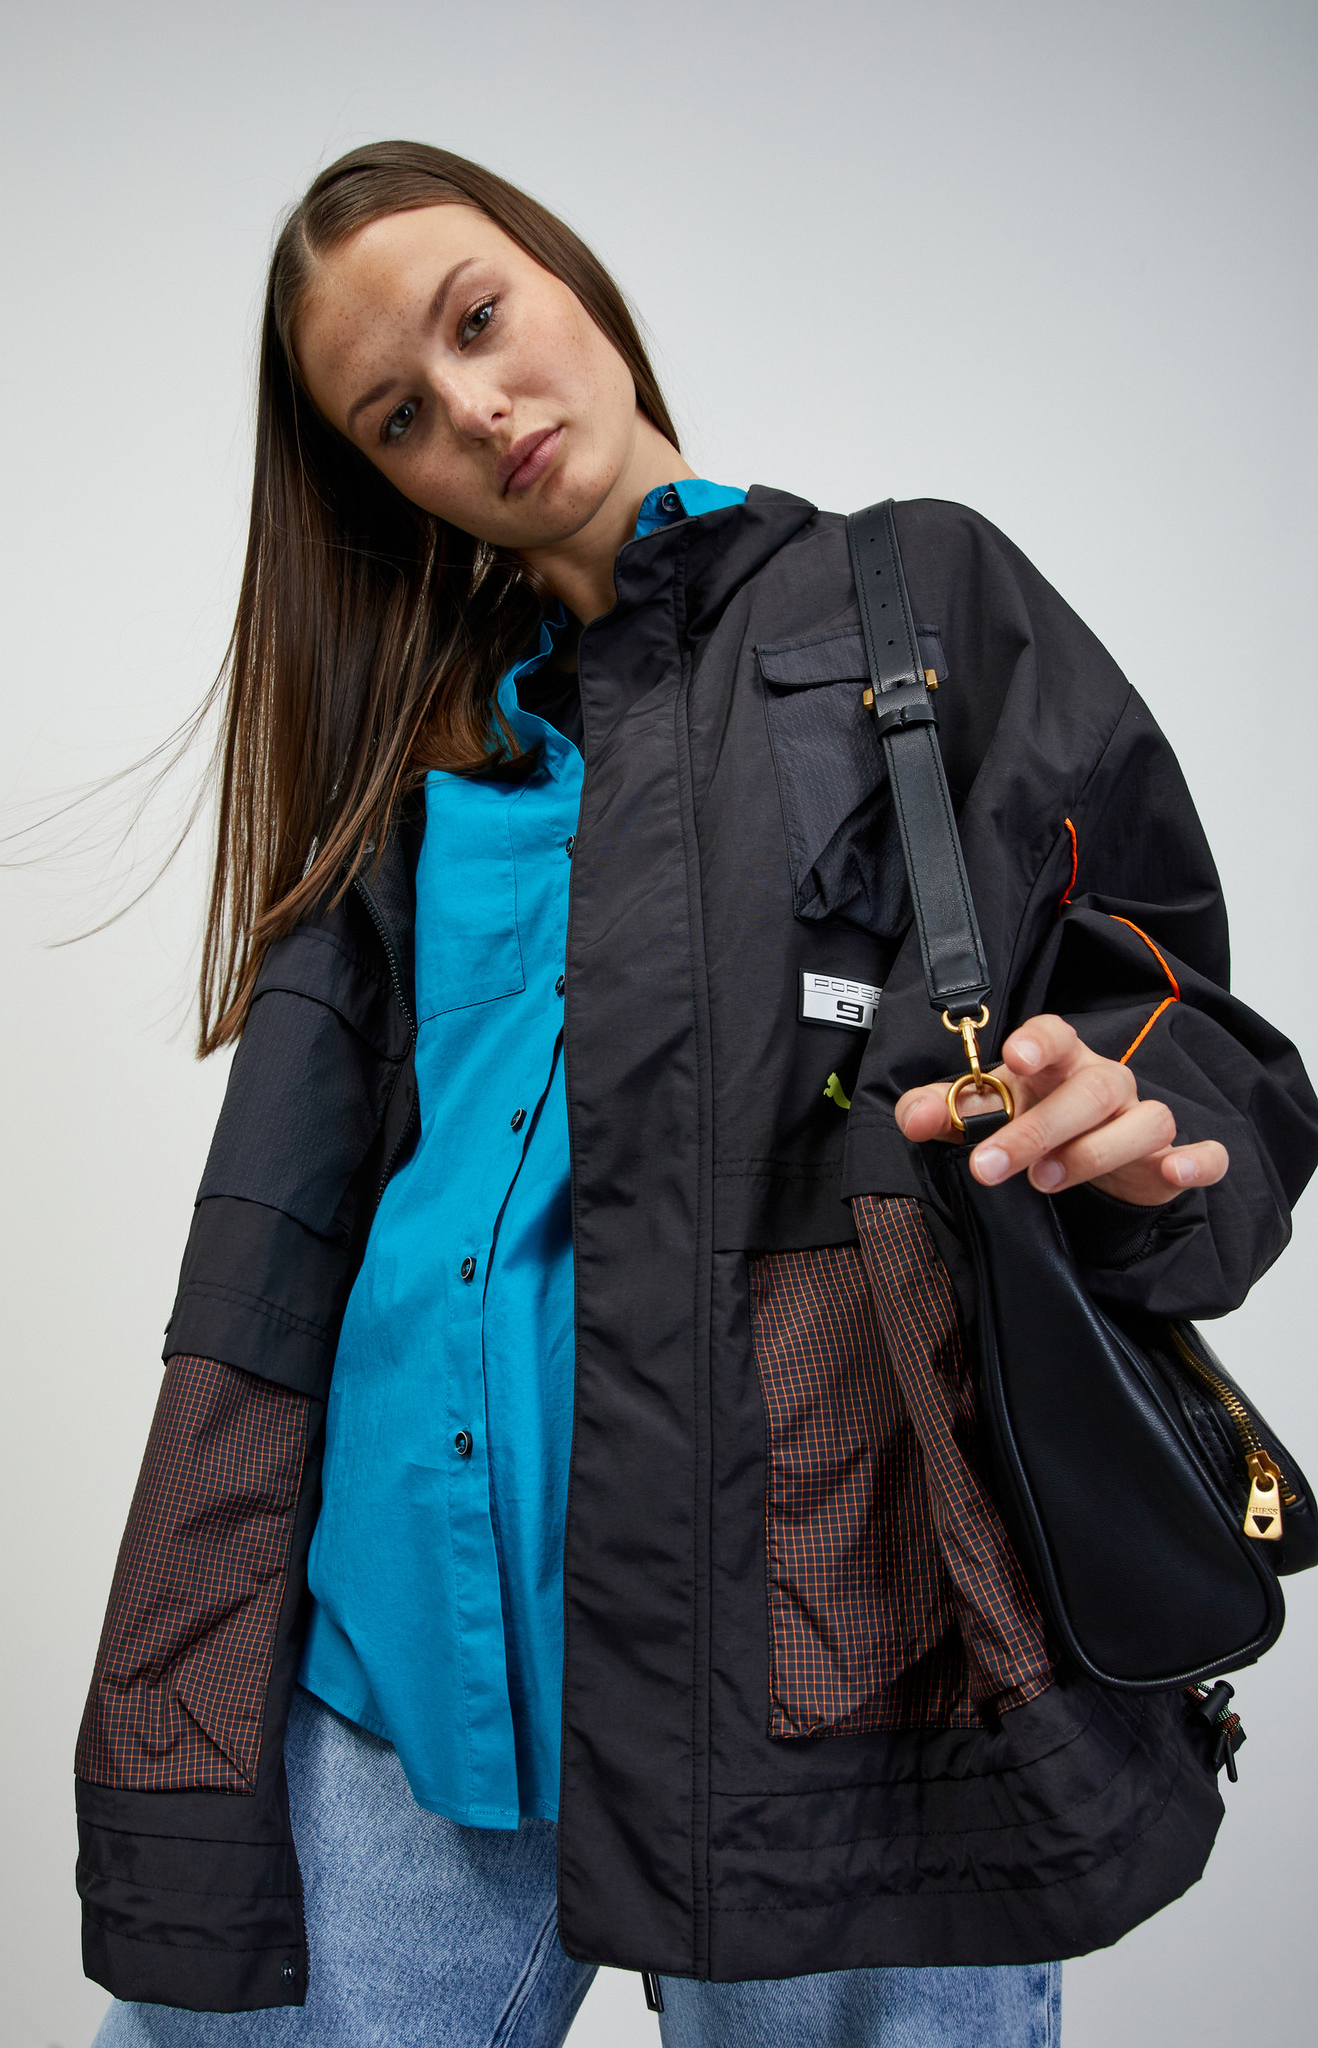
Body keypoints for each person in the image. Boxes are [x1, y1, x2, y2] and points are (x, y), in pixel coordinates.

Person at [73, 143, 1318, 2047]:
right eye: (396, 415)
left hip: (846, 1660)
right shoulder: (415, 773)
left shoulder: (920, 603)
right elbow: (279, 1253)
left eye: (479, 317)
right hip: (414, 1673)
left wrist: (1131, 1115)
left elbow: (1170, 998)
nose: (473, 409)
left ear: (570, 279)